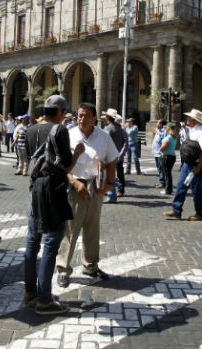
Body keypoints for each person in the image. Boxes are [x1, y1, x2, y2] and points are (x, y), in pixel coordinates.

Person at [24, 94, 84, 315]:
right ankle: (44, 300)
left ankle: (30, 291)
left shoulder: (30, 130)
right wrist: (77, 154)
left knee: (32, 242)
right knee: (50, 244)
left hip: (34, 191)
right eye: (64, 111)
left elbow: (30, 161)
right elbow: (65, 168)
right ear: (58, 111)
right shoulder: (60, 130)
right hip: (53, 193)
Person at [56, 102, 118, 288]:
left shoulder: (104, 137)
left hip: (96, 186)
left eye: (85, 115)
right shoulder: (68, 134)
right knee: (70, 229)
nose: (81, 119)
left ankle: (90, 265)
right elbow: (60, 166)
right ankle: (63, 268)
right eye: (79, 115)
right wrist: (74, 183)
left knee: (92, 229)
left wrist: (109, 184)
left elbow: (113, 160)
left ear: (94, 118)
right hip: (75, 186)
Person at [164, 108, 202, 221]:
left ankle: (201, 213)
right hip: (187, 165)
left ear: (195, 120)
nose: (187, 119)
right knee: (181, 186)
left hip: (195, 166)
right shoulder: (192, 129)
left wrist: (198, 167)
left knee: (196, 190)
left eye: (189, 118)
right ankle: (176, 210)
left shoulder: (201, 132)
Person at [101, 108, 126, 203]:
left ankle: (111, 196)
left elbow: (104, 143)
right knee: (113, 175)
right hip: (117, 153)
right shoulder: (119, 127)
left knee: (108, 176)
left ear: (107, 117)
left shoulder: (108, 128)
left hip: (109, 155)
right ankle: (110, 193)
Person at [158, 123, 178, 195]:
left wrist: (159, 150)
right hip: (172, 156)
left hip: (166, 156)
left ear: (168, 129)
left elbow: (163, 147)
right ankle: (170, 189)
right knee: (168, 173)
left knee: (167, 174)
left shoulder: (168, 137)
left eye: (166, 128)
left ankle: (168, 190)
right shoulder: (174, 137)